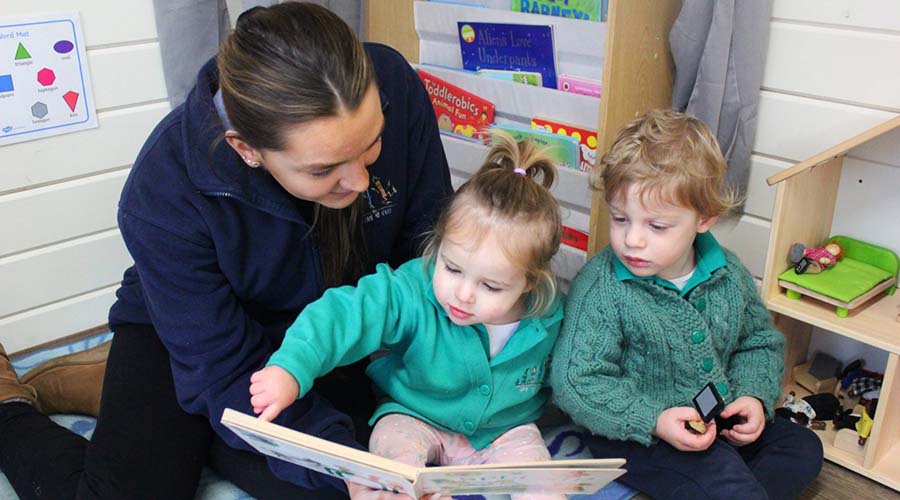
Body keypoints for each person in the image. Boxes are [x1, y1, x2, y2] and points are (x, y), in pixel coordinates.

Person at [0, 3, 452, 499]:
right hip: (195, 328)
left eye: (372, 144)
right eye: (325, 170)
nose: (362, 180)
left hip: (338, 322)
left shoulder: (392, 80)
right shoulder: (162, 188)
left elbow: (428, 251)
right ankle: (10, 407)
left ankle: (182, 409)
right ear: (246, 149)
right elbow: (227, 370)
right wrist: (347, 469)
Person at [249, 132, 566, 500]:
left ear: (530, 283)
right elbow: (345, 314)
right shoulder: (413, 289)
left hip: (504, 432)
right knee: (390, 469)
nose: (462, 294)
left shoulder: (551, 312)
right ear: (439, 244)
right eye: (451, 267)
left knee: (543, 484)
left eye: (490, 287)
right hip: (412, 417)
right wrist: (291, 367)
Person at [549, 109, 823, 500]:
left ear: (704, 219)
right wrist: (654, 420)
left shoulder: (728, 273)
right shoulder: (602, 288)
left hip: (716, 421)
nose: (633, 240)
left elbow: (758, 342)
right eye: (621, 219)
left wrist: (752, 398)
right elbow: (576, 381)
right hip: (637, 434)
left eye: (657, 226)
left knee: (802, 448)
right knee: (722, 477)